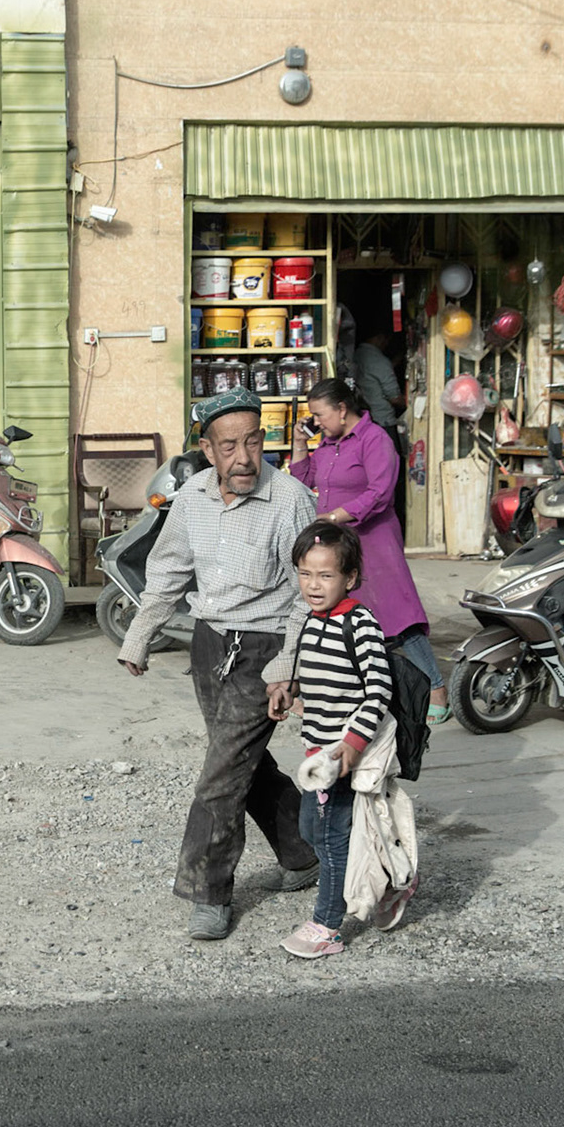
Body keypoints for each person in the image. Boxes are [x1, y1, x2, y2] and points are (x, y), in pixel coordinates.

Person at [118, 388, 320, 942]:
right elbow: (168, 571)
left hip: (264, 648)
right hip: (210, 646)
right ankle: (304, 854)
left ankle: (209, 892)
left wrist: (288, 663)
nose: (244, 458)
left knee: (221, 776)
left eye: (253, 441)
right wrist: (140, 635)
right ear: (208, 450)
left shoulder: (292, 500)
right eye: (229, 445)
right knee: (241, 765)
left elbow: (309, 594)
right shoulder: (191, 500)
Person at [289, 379, 449, 724]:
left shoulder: (374, 440)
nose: (317, 421)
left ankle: (436, 686)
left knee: (398, 618)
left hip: (373, 540)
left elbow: (380, 493)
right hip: (337, 542)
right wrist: (300, 444)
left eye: (320, 414)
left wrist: (334, 516)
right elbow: (302, 481)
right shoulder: (329, 444)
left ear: (342, 409)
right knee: (335, 614)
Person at [279, 521, 393, 959]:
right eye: (305, 574)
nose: (313, 584)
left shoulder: (359, 623)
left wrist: (352, 744)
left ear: (350, 578)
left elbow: (378, 688)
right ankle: (390, 882)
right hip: (316, 752)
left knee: (328, 836)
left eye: (326, 576)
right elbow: (316, 675)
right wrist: (291, 693)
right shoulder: (311, 620)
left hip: (342, 755)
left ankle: (328, 925)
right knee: (312, 828)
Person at [351, 328, 404, 433]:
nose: (386, 344)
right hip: (383, 422)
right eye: (386, 341)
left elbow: (371, 374)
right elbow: (394, 398)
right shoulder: (380, 361)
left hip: (362, 420)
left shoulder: (355, 356)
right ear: (380, 338)